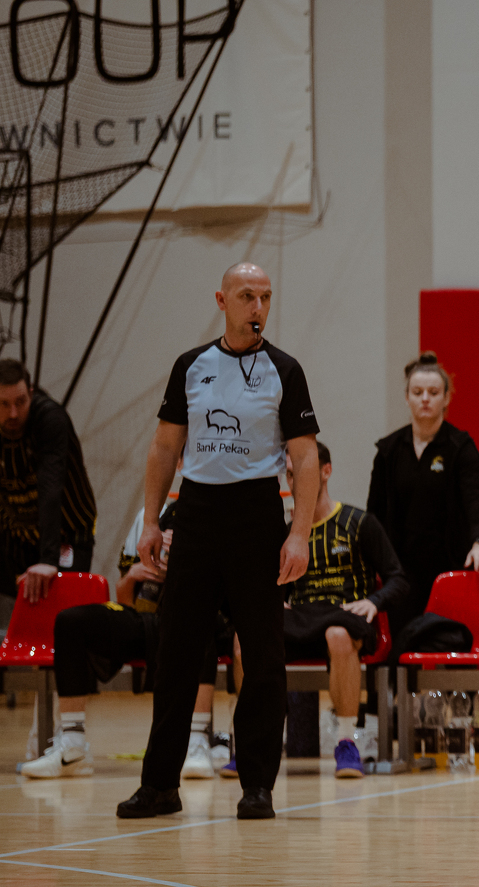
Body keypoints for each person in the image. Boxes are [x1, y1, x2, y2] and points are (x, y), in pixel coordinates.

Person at [117, 262, 320, 822]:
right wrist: (151, 522)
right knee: (177, 652)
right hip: (198, 513)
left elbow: (304, 457)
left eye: (266, 297)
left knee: (263, 656)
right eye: (247, 295)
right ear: (222, 300)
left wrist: (298, 533)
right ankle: (160, 784)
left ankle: (257, 786)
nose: (258, 307)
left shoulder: (285, 369)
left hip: (257, 515)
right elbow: (165, 447)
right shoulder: (191, 366)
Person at [20, 500, 226, 780]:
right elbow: (126, 601)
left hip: (201, 615)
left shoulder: (223, 514)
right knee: (71, 621)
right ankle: (72, 746)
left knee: (197, 624)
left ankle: (196, 742)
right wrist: (133, 576)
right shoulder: (159, 516)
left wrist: (186, 560)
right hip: (148, 620)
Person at [283, 441, 408, 778]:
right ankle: (250, 744)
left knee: (338, 635)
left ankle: (346, 742)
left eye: (303, 472)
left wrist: (374, 601)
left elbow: (398, 579)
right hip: (302, 619)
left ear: (326, 471)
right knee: (244, 638)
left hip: (344, 616)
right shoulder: (288, 533)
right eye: (290, 474)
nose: (295, 481)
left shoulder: (358, 522)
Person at [367, 352, 479, 635]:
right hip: (401, 569)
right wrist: (371, 559)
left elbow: (474, 500)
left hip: (449, 562)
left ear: (446, 398)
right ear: (407, 397)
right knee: (402, 644)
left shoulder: (461, 447)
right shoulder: (388, 450)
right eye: (417, 392)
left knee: (449, 640)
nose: (425, 398)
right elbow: (374, 513)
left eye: (433, 393)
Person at [0, 358, 96, 602]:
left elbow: (50, 488)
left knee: (61, 609)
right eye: (3, 404)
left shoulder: (50, 418)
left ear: (31, 393)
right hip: (18, 534)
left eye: (20, 402)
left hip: (67, 533)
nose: (13, 413)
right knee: (14, 609)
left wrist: (48, 560)